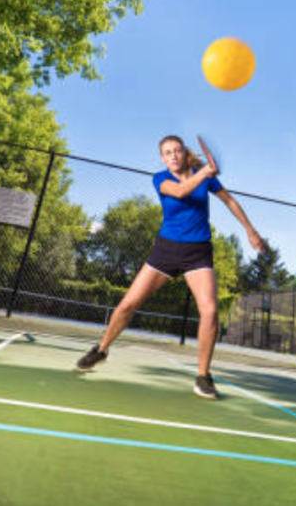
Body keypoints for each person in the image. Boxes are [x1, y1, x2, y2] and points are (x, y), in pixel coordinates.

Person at [75, 135, 266, 399]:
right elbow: (179, 191)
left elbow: (230, 201)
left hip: (198, 253)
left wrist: (250, 230)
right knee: (127, 305)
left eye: (177, 150)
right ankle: (102, 349)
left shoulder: (203, 176)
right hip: (166, 250)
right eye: (167, 153)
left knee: (209, 312)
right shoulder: (160, 179)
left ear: (184, 153)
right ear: (163, 159)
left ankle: (202, 377)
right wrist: (206, 173)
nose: (173, 155)